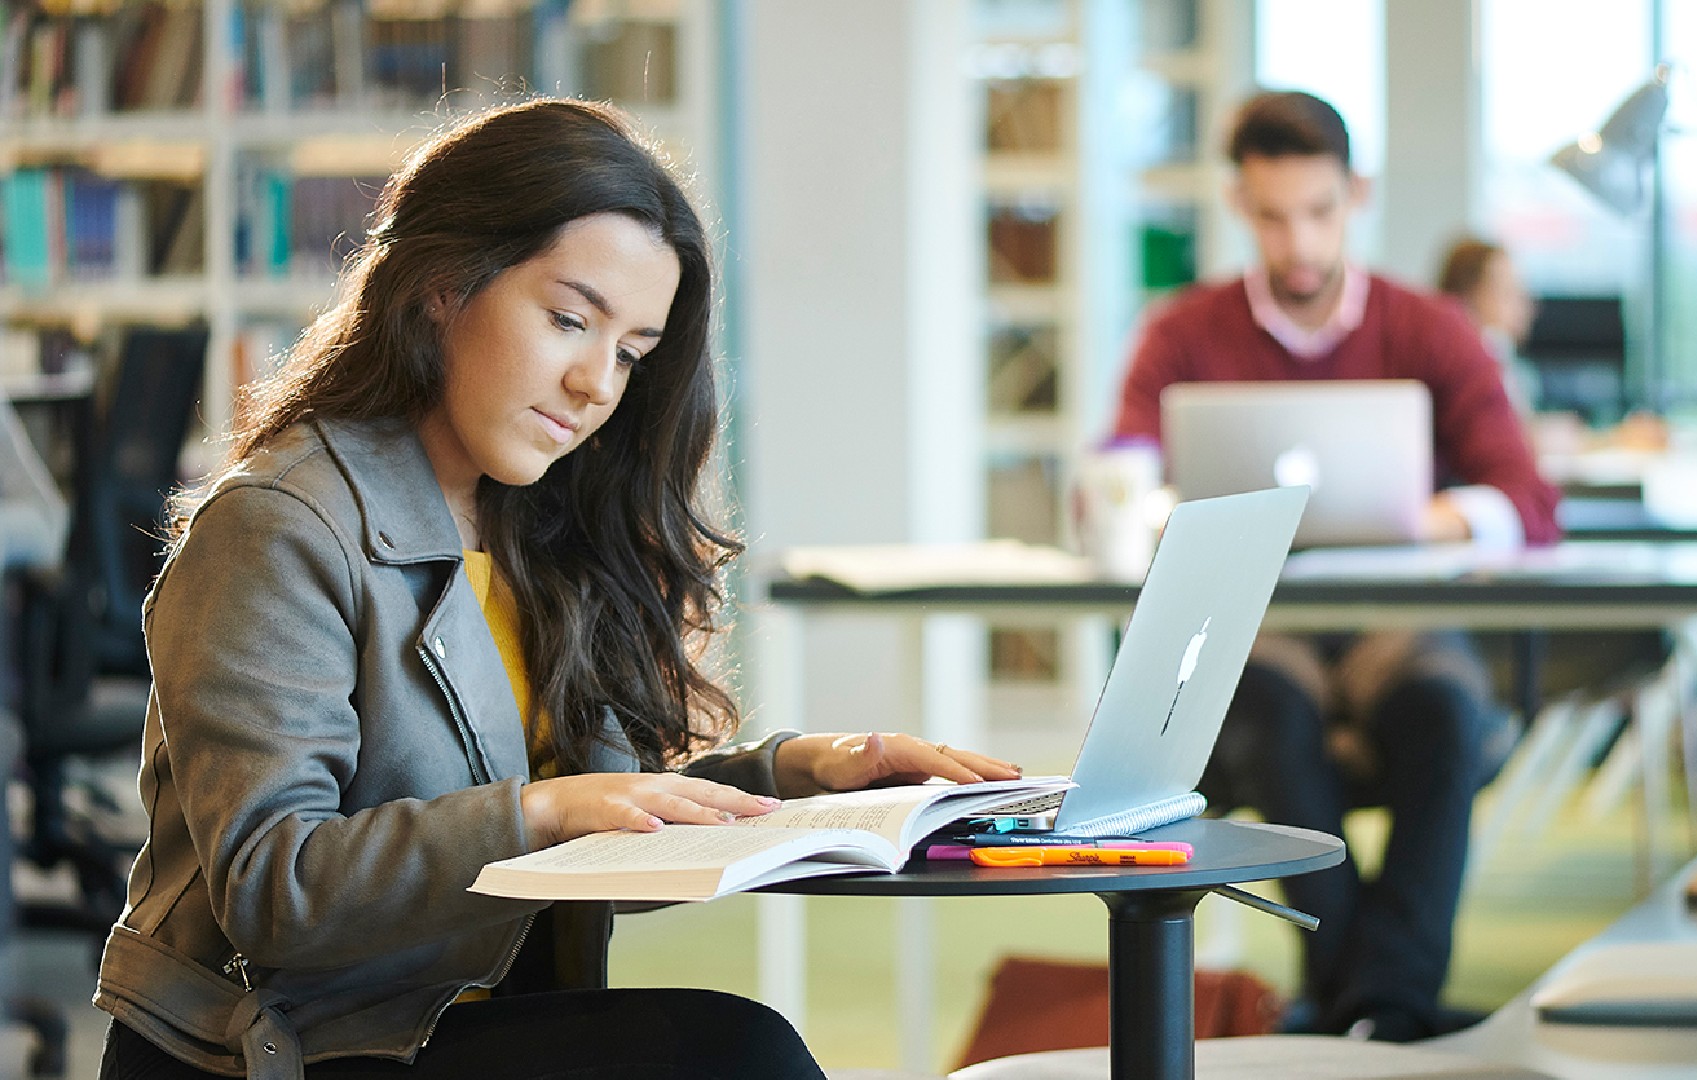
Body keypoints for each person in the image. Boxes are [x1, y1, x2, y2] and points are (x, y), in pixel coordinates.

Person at [92, 98, 1022, 1079]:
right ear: (442, 285)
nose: (596, 385)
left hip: (454, 1025)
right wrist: (544, 813)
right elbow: (273, 884)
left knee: (724, 1047)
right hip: (282, 1046)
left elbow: (595, 819)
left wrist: (794, 776)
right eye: (570, 320)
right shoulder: (277, 526)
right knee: (733, 1053)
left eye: (630, 353)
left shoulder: (532, 525)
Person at [1111, 90, 1560, 1043]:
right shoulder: (1185, 330)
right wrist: (1157, 507)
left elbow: (1525, 497)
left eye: (1319, 212)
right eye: (1273, 217)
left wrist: (1424, 517)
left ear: (1355, 194)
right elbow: (1119, 472)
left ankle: (1363, 1002)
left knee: (1443, 710)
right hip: (1261, 624)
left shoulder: (1426, 325)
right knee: (1272, 711)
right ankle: (1382, 1007)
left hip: (1392, 623)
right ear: (1241, 203)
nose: (1299, 244)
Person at [1435, 236, 1540, 419]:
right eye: (1507, 291)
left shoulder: (1505, 358)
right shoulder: (1466, 369)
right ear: (1469, 296)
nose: (1524, 304)